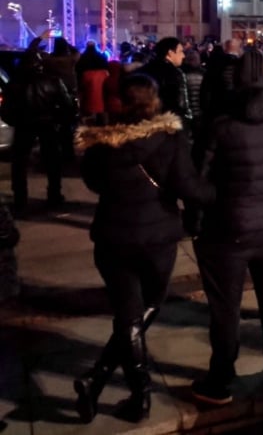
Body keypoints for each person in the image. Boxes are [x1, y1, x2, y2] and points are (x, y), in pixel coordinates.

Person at [73, 74, 213, 422]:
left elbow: (93, 183)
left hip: (112, 236)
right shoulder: (168, 140)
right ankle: (128, 392)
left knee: (128, 316)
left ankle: (108, 384)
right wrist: (221, 193)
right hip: (156, 238)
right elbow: (189, 188)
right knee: (147, 307)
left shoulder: (99, 142)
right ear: (153, 101)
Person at [191, 49, 263, 405]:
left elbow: (201, 175)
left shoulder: (220, 118)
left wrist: (206, 212)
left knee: (225, 306)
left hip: (227, 226)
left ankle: (222, 377)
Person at [1, 51, 75, 211]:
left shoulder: (14, 84)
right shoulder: (52, 81)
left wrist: (16, 121)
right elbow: (67, 105)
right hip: (47, 124)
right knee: (52, 161)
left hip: (24, 126)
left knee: (19, 164)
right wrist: (59, 122)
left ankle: (21, 199)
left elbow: (6, 111)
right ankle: (54, 195)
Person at [139, 37, 192, 131]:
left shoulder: (142, 71)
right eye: (180, 51)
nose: (183, 55)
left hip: (144, 125)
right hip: (170, 127)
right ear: (170, 53)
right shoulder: (176, 74)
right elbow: (182, 103)